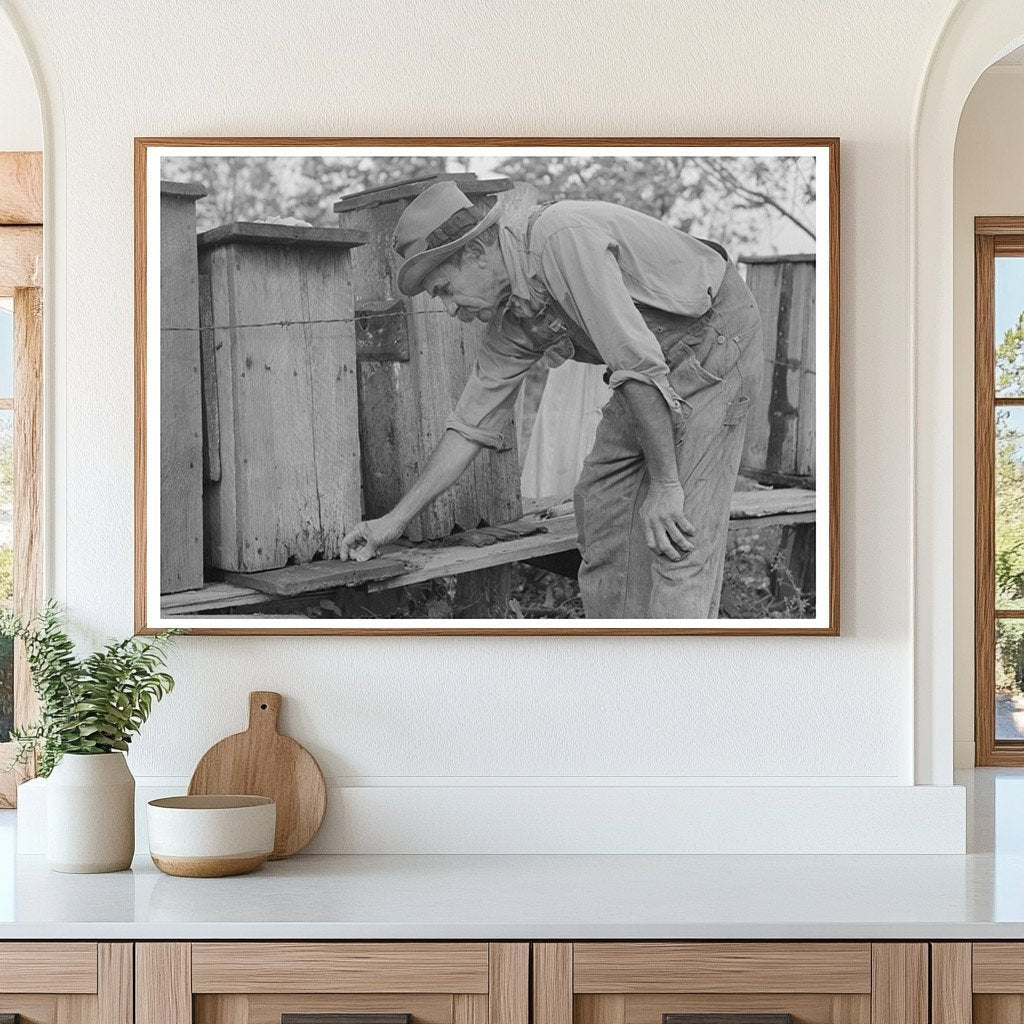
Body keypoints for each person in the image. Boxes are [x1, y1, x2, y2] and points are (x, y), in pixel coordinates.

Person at [339, 179, 764, 619]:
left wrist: (666, 486)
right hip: (647, 368)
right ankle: (622, 667)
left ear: (476, 254)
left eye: (444, 289)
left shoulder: (560, 239)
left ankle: (673, 681)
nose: (449, 309)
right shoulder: (512, 321)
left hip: (712, 340)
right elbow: (467, 429)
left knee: (679, 535)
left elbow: (636, 367)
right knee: (602, 508)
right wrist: (393, 521)